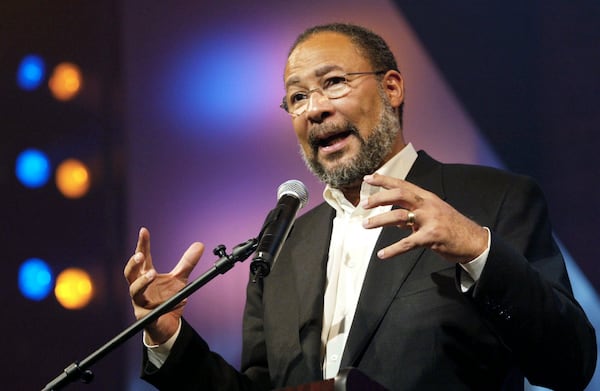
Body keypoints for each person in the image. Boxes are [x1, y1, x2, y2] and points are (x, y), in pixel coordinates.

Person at [124, 23, 597, 390]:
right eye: (297, 97)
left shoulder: (492, 200)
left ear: (391, 88)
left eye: (333, 83)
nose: (314, 109)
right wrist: (168, 334)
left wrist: (477, 249)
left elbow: (568, 363)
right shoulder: (283, 245)